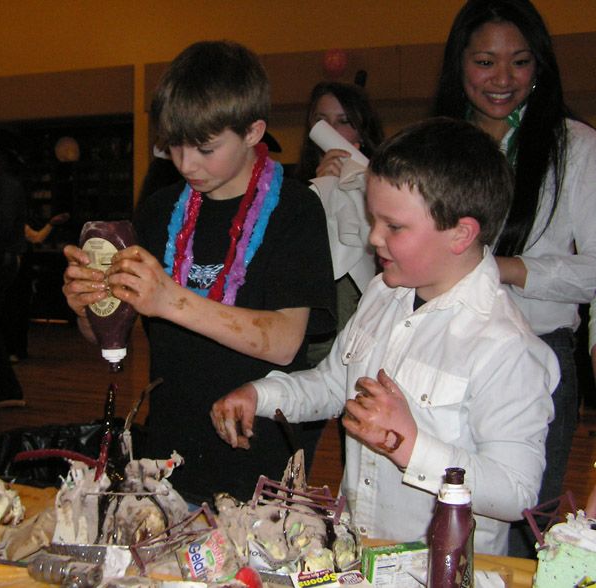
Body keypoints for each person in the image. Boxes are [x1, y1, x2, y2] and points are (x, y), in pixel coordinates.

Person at [211, 117, 559, 556]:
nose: (373, 236)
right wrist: (260, 395)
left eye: (393, 226)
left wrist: (410, 446)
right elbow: (337, 384)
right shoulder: (384, 293)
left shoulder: (507, 348)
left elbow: (517, 491)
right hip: (360, 555)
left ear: (461, 233)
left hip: (441, 571)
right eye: (373, 218)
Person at [62, 41, 336, 505]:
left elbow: (286, 339)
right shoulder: (157, 212)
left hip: (258, 459)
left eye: (205, 148)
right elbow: (111, 339)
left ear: (254, 132)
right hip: (168, 457)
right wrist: (89, 308)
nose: (187, 164)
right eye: (174, 146)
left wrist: (170, 299)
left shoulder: (295, 208)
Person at [433, 0, 596, 556]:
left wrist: (503, 268)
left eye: (520, 62)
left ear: (540, 66)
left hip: (537, 359)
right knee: (441, 515)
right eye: (484, 61)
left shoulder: (575, 147)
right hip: (443, 354)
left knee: (528, 529)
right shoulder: (439, 148)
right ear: (460, 65)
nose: (502, 79)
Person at [295, 82, 384, 367]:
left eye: (344, 122)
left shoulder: (389, 184)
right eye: (322, 121)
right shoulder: (294, 193)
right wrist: (323, 190)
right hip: (319, 341)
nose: (331, 132)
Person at [3, 212, 70, 363]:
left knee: (18, 312)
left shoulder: (17, 224)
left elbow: (36, 237)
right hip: (11, 275)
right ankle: (13, 350)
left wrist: (51, 224)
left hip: (19, 275)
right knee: (11, 312)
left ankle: (17, 350)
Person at [0, 146, 25, 408]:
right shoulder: (8, 185)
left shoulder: (6, 186)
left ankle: (8, 388)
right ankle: (8, 388)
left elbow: (2, 227)